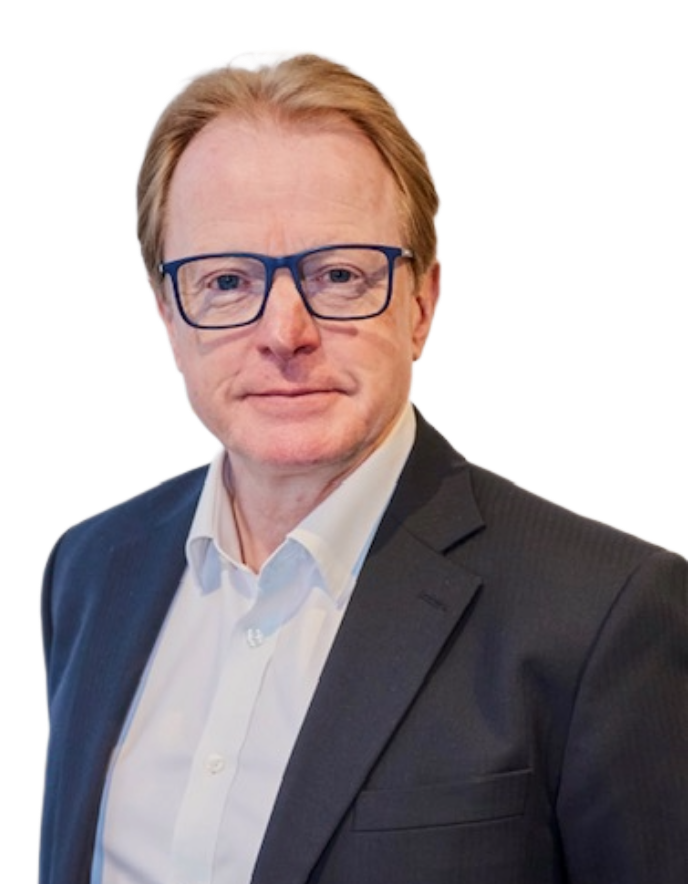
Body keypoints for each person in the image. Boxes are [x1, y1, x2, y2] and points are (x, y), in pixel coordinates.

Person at [38, 49, 687, 884]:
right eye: (227, 281)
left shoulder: (607, 613)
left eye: (339, 274)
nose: (285, 333)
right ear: (168, 313)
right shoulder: (91, 568)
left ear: (423, 302)